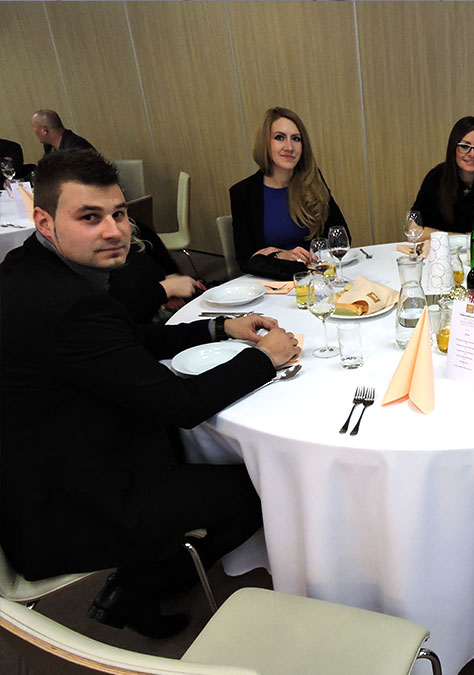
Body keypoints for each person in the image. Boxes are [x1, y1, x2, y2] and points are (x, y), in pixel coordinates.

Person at [0, 150, 300, 638]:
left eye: (119, 214)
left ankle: (143, 580)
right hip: (65, 505)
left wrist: (221, 327)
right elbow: (180, 404)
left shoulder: (34, 267)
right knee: (258, 487)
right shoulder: (64, 304)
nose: (114, 231)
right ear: (44, 221)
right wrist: (265, 359)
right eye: (90, 217)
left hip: (50, 461)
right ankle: (137, 588)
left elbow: (129, 340)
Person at [229, 107, 349, 281]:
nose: (289, 147)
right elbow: (245, 260)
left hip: (317, 277)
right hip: (273, 283)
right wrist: (281, 255)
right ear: (265, 143)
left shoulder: (312, 180)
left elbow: (340, 236)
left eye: (296, 139)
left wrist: (270, 253)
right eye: (279, 137)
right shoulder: (243, 193)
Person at [31, 109, 95, 155]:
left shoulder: (76, 148)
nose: (34, 131)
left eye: (34, 126)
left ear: (44, 130)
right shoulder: (49, 147)